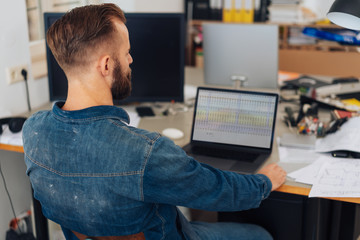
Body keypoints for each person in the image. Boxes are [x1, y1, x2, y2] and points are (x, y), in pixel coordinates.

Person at [22, 3, 286, 240]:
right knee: (259, 234)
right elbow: (217, 191)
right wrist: (263, 182)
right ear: (105, 66)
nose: (130, 60)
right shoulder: (145, 152)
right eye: (126, 52)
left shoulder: (33, 132)